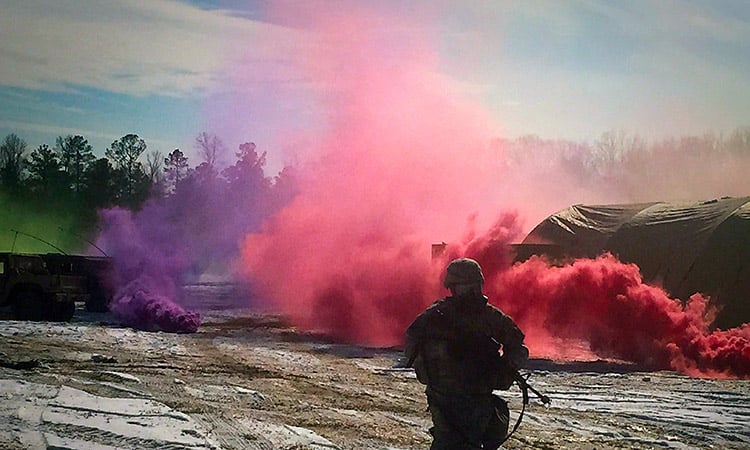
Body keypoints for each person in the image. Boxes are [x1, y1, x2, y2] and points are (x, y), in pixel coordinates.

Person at [405, 257, 529, 450]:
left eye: (475, 285)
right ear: (453, 287)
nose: (472, 291)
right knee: (448, 443)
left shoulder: (489, 317)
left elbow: (518, 346)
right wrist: (431, 369)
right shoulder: (436, 316)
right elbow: (412, 346)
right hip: (445, 398)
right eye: (467, 286)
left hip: (478, 397)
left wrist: (503, 371)